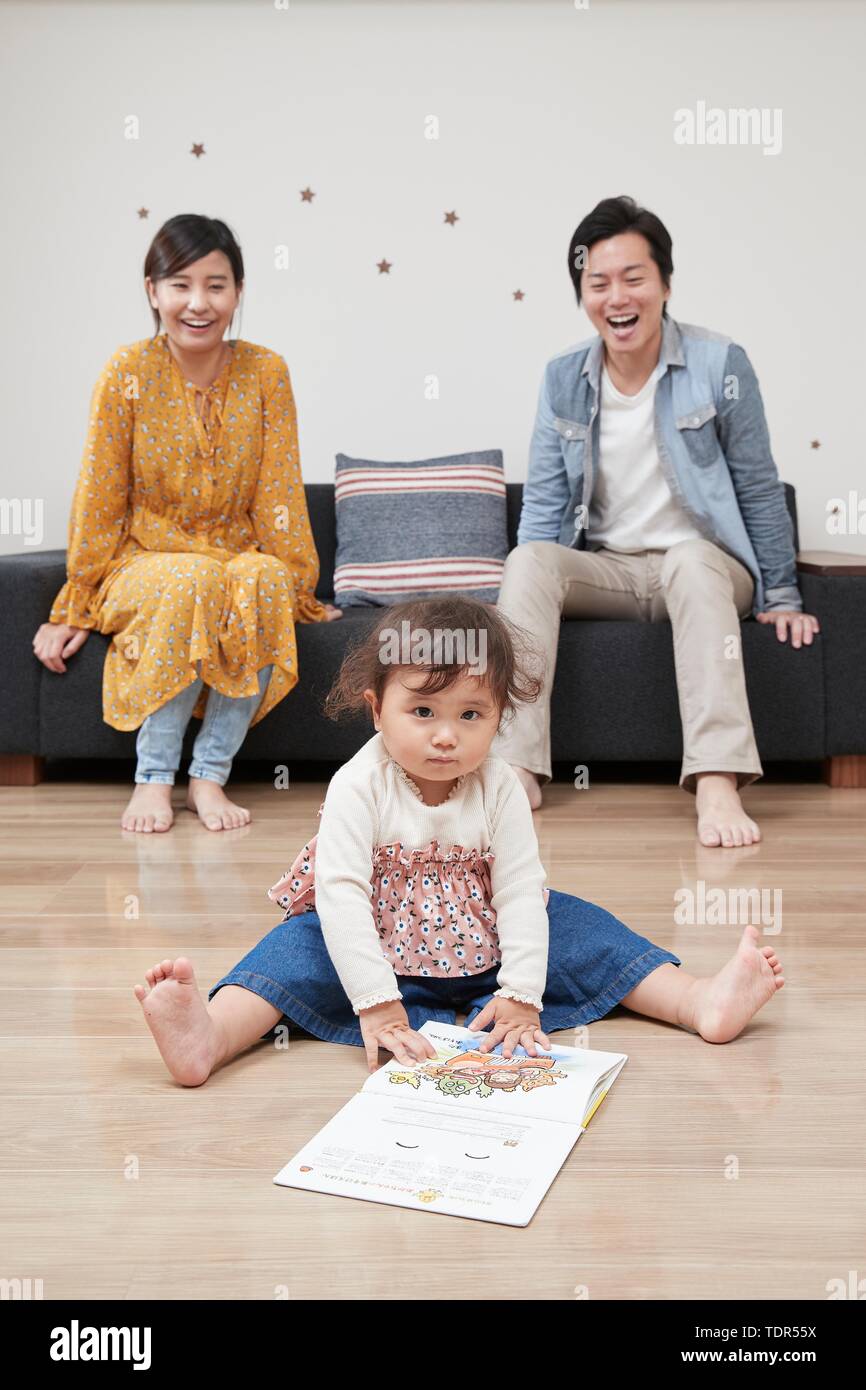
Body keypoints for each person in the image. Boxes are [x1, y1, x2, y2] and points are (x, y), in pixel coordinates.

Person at [132, 596, 785, 1084]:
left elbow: (522, 894)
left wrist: (524, 996)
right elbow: (339, 894)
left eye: (471, 715)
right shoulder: (359, 785)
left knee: (581, 927)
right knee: (293, 948)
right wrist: (378, 1003)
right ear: (376, 708)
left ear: (500, 716)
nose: (446, 736)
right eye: (422, 713)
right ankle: (208, 1038)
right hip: (374, 950)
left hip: (486, 952)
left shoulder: (498, 788)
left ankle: (699, 1001)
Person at [492, 195, 819, 848]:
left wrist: (781, 592)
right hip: (610, 569)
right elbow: (546, 507)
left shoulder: (719, 364)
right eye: (598, 283)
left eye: (633, 278)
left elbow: (757, 486)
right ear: (583, 295)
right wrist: (528, 590)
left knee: (690, 561)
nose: (618, 296)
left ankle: (718, 778)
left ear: (665, 284)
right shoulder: (563, 378)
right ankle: (514, 769)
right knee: (527, 559)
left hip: (706, 563)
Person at [32, 214, 342, 833]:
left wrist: (297, 585)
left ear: (238, 292)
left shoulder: (266, 372)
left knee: (263, 579)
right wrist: (78, 600)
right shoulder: (126, 371)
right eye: (180, 285)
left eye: (216, 286)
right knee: (192, 580)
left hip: (234, 555)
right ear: (153, 291)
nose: (198, 303)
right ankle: (153, 777)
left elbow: (277, 488)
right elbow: (100, 492)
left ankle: (209, 776)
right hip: (140, 562)